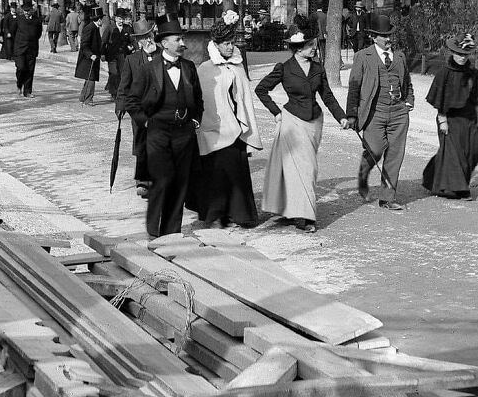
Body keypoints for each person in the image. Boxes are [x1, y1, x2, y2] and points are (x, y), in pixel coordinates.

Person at [256, 15, 350, 232]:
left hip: (314, 122)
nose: (314, 49)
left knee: (301, 170)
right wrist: (276, 112)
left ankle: (292, 209)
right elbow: (261, 89)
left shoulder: (318, 69)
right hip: (292, 122)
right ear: (297, 48)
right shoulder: (284, 68)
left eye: (314, 45)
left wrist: (342, 117)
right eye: (310, 46)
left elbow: (327, 96)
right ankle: (304, 217)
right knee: (306, 169)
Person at [126, 13, 204, 238]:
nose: (183, 44)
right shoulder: (149, 69)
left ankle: (172, 233)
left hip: (184, 134)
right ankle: (154, 231)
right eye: (177, 40)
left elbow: (198, 99)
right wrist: (147, 122)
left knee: (180, 182)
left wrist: (195, 119)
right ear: (164, 43)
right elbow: (132, 101)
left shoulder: (189, 67)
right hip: (158, 133)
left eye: (182, 39)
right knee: (162, 180)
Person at [196, 12, 262, 229]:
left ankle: (240, 214)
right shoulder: (205, 70)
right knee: (215, 172)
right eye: (225, 43)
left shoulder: (238, 66)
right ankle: (214, 214)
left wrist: (244, 126)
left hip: (235, 129)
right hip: (214, 129)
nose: (230, 47)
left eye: (232, 43)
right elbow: (204, 101)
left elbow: (243, 100)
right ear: (215, 44)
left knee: (236, 171)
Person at [345, 12, 414, 211]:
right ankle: (363, 175)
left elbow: (407, 83)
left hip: (399, 113)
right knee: (374, 149)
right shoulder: (362, 56)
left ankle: (387, 198)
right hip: (374, 112)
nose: (388, 39)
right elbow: (354, 88)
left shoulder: (400, 57)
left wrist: (409, 101)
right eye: (384, 36)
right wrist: (352, 114)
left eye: (390, 35)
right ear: (373, 37)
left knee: (395, 154)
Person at [422, 33, 478, 199]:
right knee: (455, 154)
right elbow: (439, 99)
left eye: (465, 54)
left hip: (469, 118)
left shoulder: (473, 73)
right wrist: (442, 120)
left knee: (473, 152)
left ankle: (433, 179)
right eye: (459, 54)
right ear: (452, 53)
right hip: (449, 118)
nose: (462, 57)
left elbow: (476, 98)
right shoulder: (444, 73)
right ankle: (458, 189)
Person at [115, 18, 160, 198]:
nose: (147, 41)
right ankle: (143, 181)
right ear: (138, 41)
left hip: (160, 109)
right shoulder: (132, 60)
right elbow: (124, 86)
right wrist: (120, 105)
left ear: (153, 34)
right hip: (140, 111)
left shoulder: (163, 56)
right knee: (141, 144)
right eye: (142, 38)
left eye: (149, 36)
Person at [10, 0, 43, 97]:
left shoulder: (37, 20)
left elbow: (38, 33)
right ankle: (19, 84)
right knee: (21, 68)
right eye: (25, 10)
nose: (27, 12)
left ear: (32, 10)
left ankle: (27, 91)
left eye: (28, 10)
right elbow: (12, 32)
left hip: (32, 48)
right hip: (19, 48)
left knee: (30, 70)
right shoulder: (18, 19)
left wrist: (31, 39)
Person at [75, 6, 103, 105]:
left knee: (89, 78)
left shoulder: (94, 27)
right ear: (99, 20)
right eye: (102, 19)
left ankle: (83, 97)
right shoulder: (90, 28)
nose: (102, 21)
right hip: (88, 59)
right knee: (91, 79)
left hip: (93, 58)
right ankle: (88, 99)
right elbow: (84, 44)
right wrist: (90, 55)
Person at [104, 9, 133, 100]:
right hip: (111, 54)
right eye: (120, 19)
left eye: (123, 19)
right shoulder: (110, 27)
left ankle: (121, 93)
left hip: (123, 54)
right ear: (116, 18)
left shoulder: (127, 28)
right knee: (113, 73)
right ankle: (113, 92)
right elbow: (104, 41)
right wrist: (102, 54)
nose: (121, 21)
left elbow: (132, 40)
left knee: (122, 73)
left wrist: (131, 47)